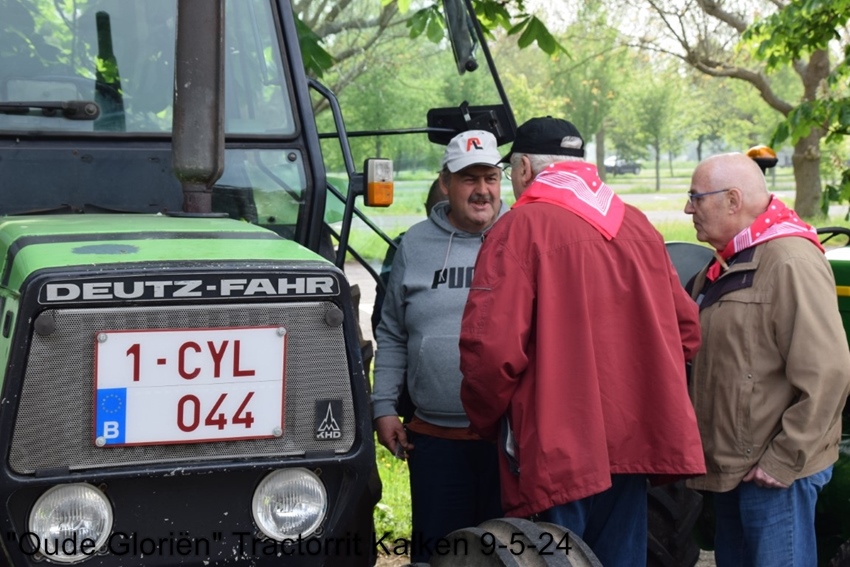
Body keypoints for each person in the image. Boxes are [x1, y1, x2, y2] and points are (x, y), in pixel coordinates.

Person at [458, 116, 706, 567]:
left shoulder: (519, 228)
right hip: (633, 443)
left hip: (555, 448)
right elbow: (687, 332)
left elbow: (491, 353)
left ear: (525, 168)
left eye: (510, 171)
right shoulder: (637, 225)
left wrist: (484, 418)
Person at [683, 153, 850, 566]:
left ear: (732, 200)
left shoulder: (790, 261)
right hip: (735, 467)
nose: (688, 209)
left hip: (773, 475)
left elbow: (828, 371)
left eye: (696, 197)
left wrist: (783, 460)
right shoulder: (728, 261)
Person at [372, 129, 507, 563]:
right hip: (434, 438)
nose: (482, 190)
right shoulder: (414, 244)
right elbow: (393, 332)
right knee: (438, 555)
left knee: (507, 555)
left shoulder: (522, 235)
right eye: (469, 179)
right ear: (445, 183)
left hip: (508, 440)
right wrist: (383, 406)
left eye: (490, 177)